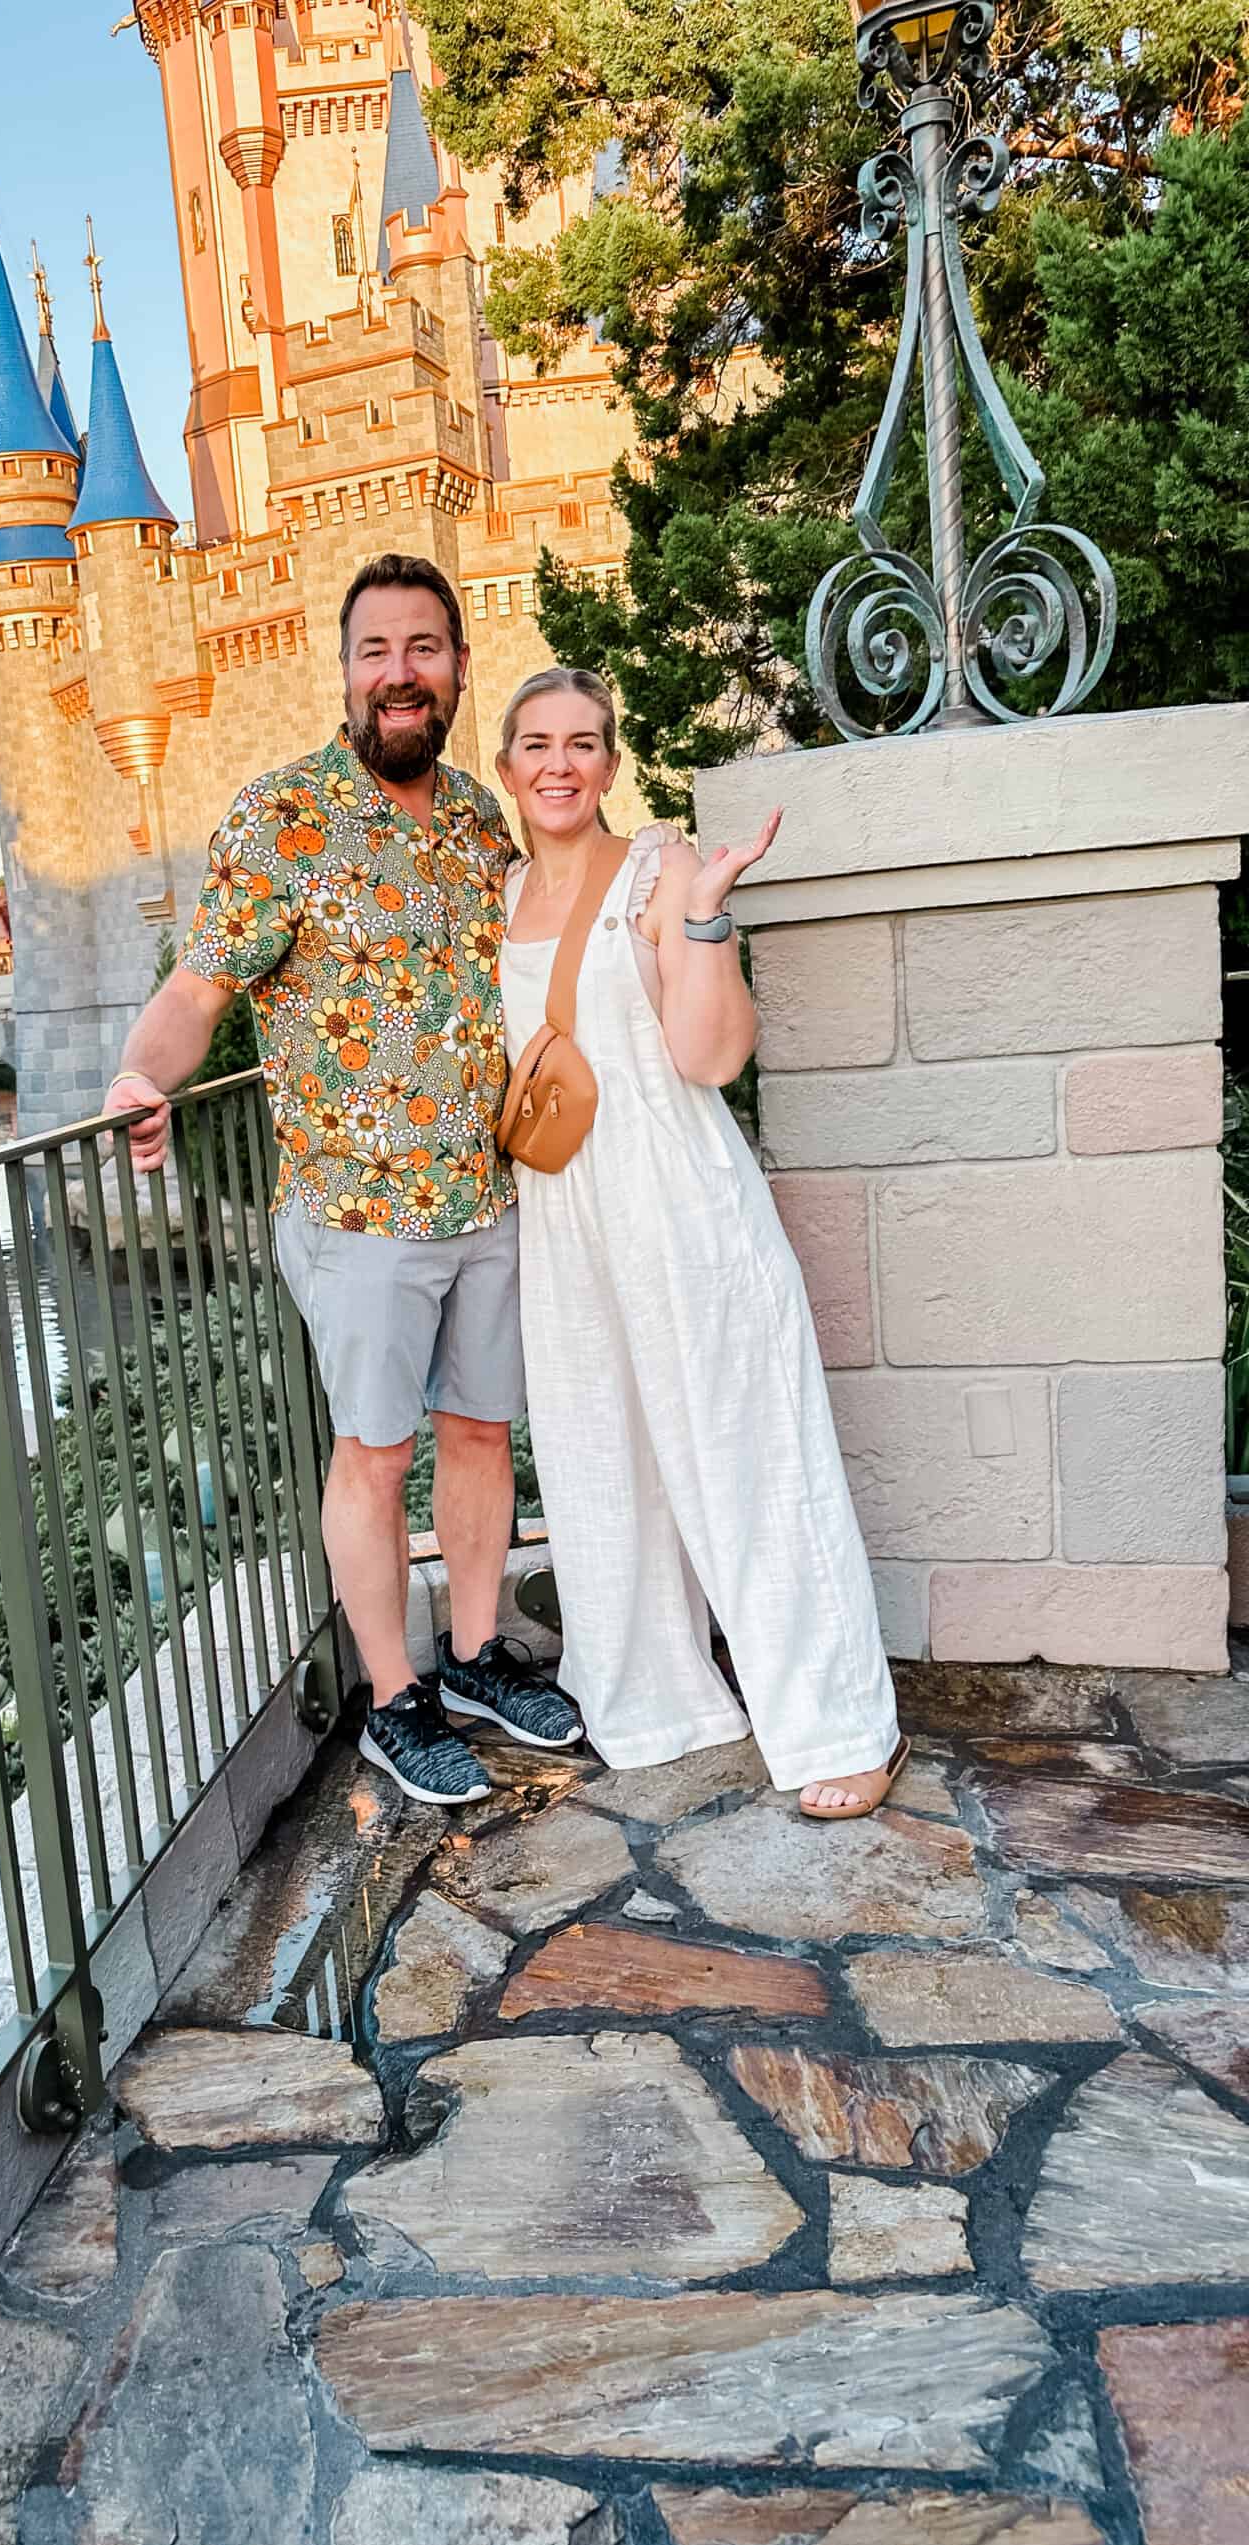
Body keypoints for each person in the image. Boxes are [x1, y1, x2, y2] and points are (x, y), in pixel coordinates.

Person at [104, 553, 581, 1805]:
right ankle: (393, 1697)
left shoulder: (485, 818)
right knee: (374, 1455)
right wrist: (138, 1080)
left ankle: (476, 1657)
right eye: (377, 652)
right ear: (348, 673)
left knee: (481, 1434)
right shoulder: (285, 819)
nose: (400, 674)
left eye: (424, 649)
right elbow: (197, 987)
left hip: (489, 1197)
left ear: (459, 669)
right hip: (360, 1214)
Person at [493, 668, 906, 1818]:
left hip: (677, 1196)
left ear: (612, 764)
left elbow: (709, 1056)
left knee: (746, 1449)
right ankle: (657, 1698)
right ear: (508, 767)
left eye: (583, 743)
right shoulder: (496, 899)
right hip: (564, 1215)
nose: (561, 763)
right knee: (599, 1457)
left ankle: (841, 1722)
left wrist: (709, 916)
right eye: (538, 744)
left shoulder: (660, 870)